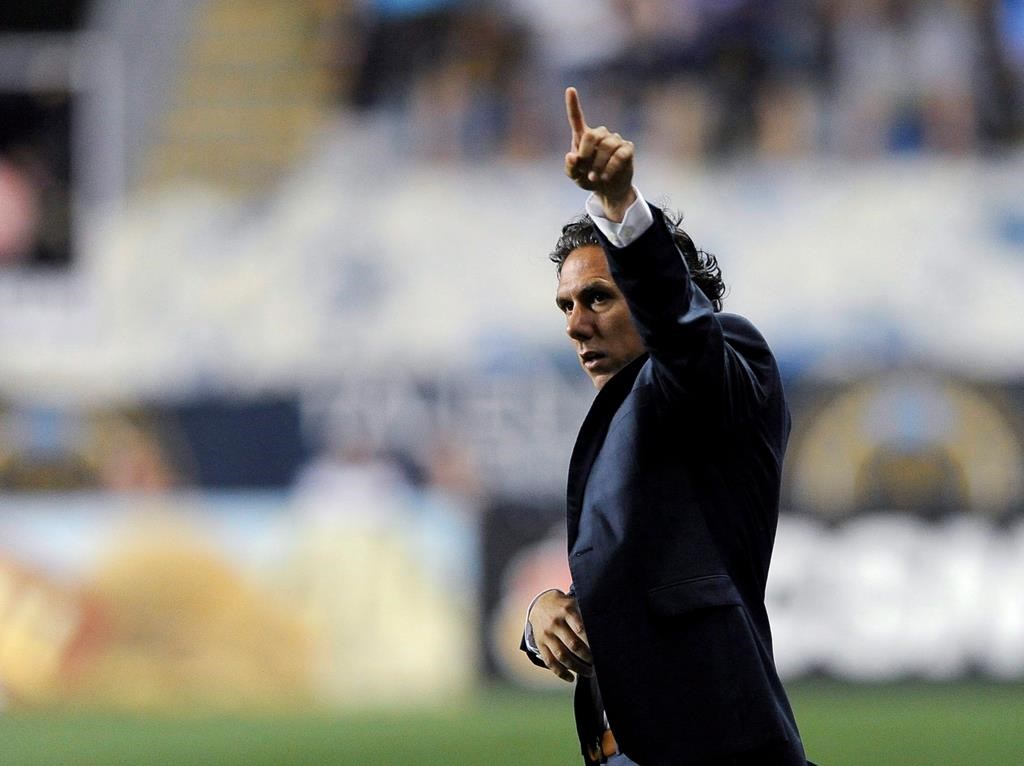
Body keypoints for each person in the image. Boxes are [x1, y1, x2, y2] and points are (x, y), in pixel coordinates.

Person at [520, 87, 811, 766]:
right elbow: (624, 589)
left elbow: (684, 337)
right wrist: (543, 618)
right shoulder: (622, 417)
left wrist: (622, 209)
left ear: (655, 298)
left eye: (597, 297)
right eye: (564, 304)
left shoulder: (725, 366)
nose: (574, 323)